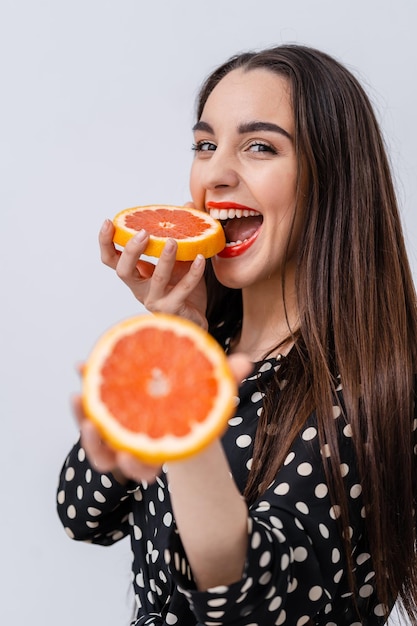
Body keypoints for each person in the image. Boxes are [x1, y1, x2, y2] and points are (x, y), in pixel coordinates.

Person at [57, 44, 417, 625]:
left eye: (260, 146)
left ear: (334, 179)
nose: (217, 174)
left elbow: (248, 599)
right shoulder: (209, 343)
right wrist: (177, 341)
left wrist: (184, 422)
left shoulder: (373, 384)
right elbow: (84, 513)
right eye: (205, 145)